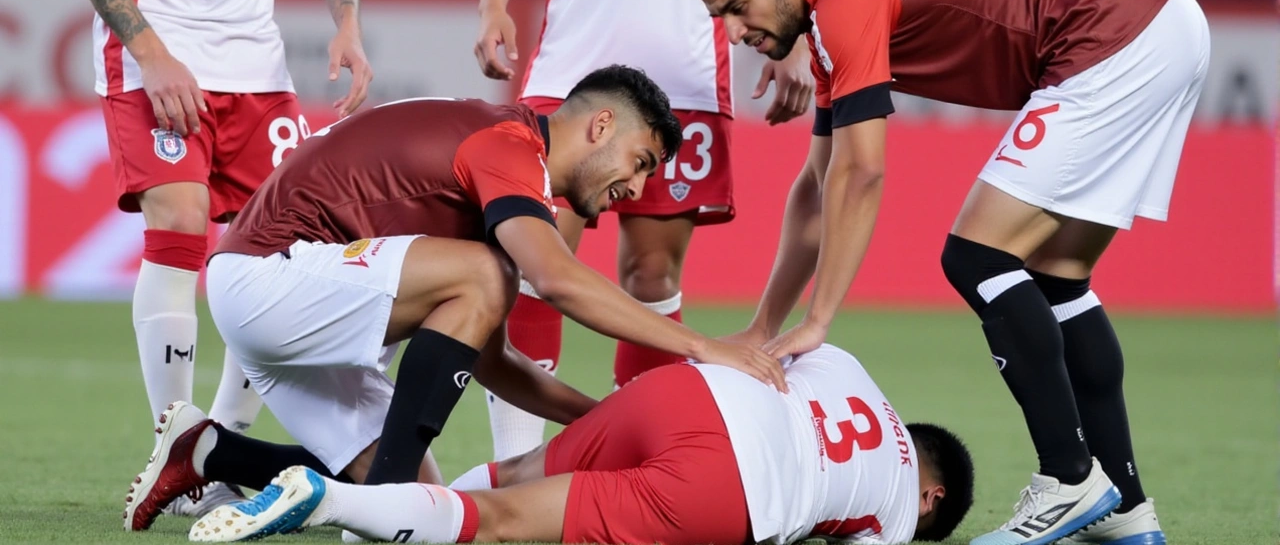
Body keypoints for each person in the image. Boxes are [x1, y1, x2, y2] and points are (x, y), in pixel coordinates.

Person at [681, 0, 1199, 545]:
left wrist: (818, 320)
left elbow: (861, 172)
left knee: (977, 257)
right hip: (1157, 19)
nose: (733, 33)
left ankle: (1068, 479)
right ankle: (1124, 508)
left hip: (1113, 36)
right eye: (718, 18)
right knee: (1057, 280)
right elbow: (817, 187)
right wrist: (766, 325)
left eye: (737, 7)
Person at [122, 65, 788, 532]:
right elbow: (553, 278)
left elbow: (491, 360)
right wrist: (703, 347)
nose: (636, 189)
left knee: (426, 501)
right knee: (487, 281)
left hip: (295, 303)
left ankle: (207, 451)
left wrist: (603, 423)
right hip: (267, 278)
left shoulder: (502, 184)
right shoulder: (508, 144)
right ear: (601, 125)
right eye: (639, 161)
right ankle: (381, 503)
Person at [474, 0, 826, 459]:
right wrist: (492, 4)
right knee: (535, 258)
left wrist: (798, 32)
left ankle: (643, 454)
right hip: (571, 72)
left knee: (652, 271)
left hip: (687, 75)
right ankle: (513, 463)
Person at [68, 0, 372, 516]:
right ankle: (175, 440)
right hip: (156, 46)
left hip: (254, 61)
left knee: (284, 250)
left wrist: (347, 24)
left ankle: (221, 453)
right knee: (179, 220)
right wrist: (153, 57)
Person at [189, 343, 975, 545]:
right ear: (933, 494)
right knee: (506, 523)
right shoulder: (902, 509)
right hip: (728, 482)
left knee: (513, 475)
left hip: (688, 393)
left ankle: (374, 506)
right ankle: (330, 498)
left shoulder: (854, 373)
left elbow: (779, 348)